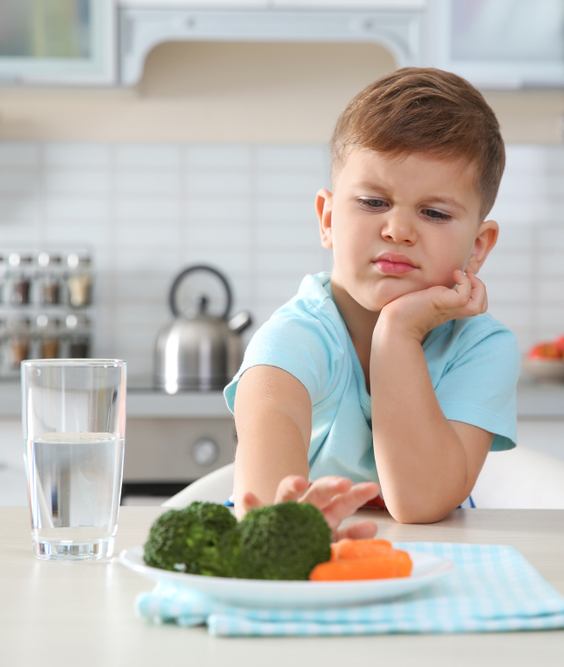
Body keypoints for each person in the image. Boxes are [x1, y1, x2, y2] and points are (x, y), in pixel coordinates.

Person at [224, 67, 519, 537]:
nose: (398, 230)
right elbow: (267, 518)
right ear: (327, 218)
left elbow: (420, 502)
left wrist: (398, 331)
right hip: (304, 561)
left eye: (434, 213)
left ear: (479, 246)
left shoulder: (483, 347)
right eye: (373, 202)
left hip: (438, 569)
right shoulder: (294, 338)